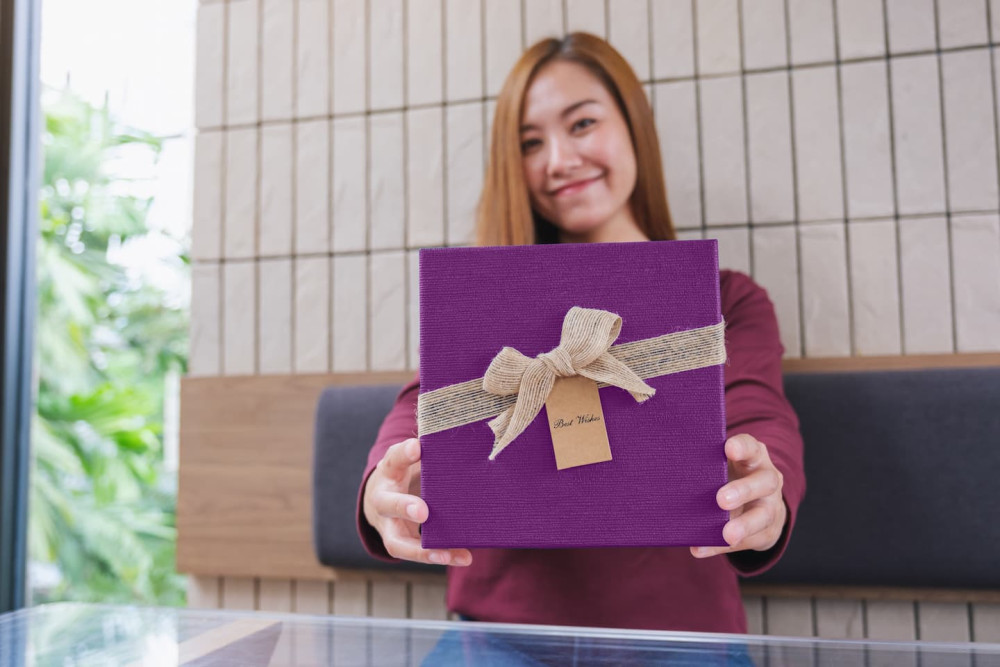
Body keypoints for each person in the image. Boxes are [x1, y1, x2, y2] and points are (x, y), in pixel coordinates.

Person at [356, 32, 805, 634]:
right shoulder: (491, 297)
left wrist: (764, 486)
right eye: (530, 143)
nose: (559, 160)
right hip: (499, 635)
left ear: (633, 124)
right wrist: (382, 488)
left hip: (679, 634)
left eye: (583, 123)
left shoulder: (726, 299)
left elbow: (757, 412)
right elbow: (427, 407)